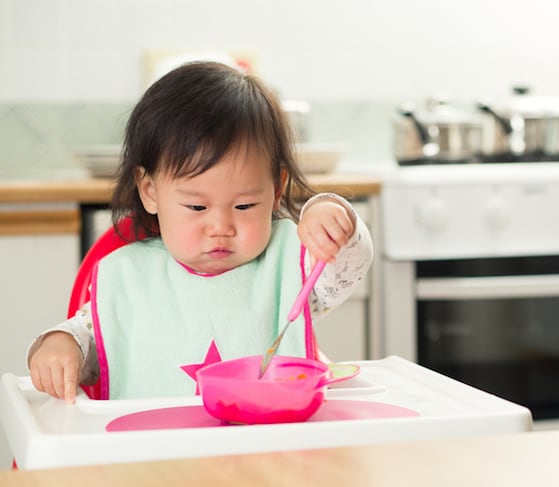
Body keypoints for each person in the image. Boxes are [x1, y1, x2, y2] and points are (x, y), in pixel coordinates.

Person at [27, 61, 373, 403]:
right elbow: (91, 340)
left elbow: (347, 267)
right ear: (150, 191)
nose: (221, 227)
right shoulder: (129, 278)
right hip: (155, 452)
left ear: (276, 189)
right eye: (197, 208)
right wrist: (60, 344)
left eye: (244, 206)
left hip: (269, 450)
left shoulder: (289, 265)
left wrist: (330, 219)